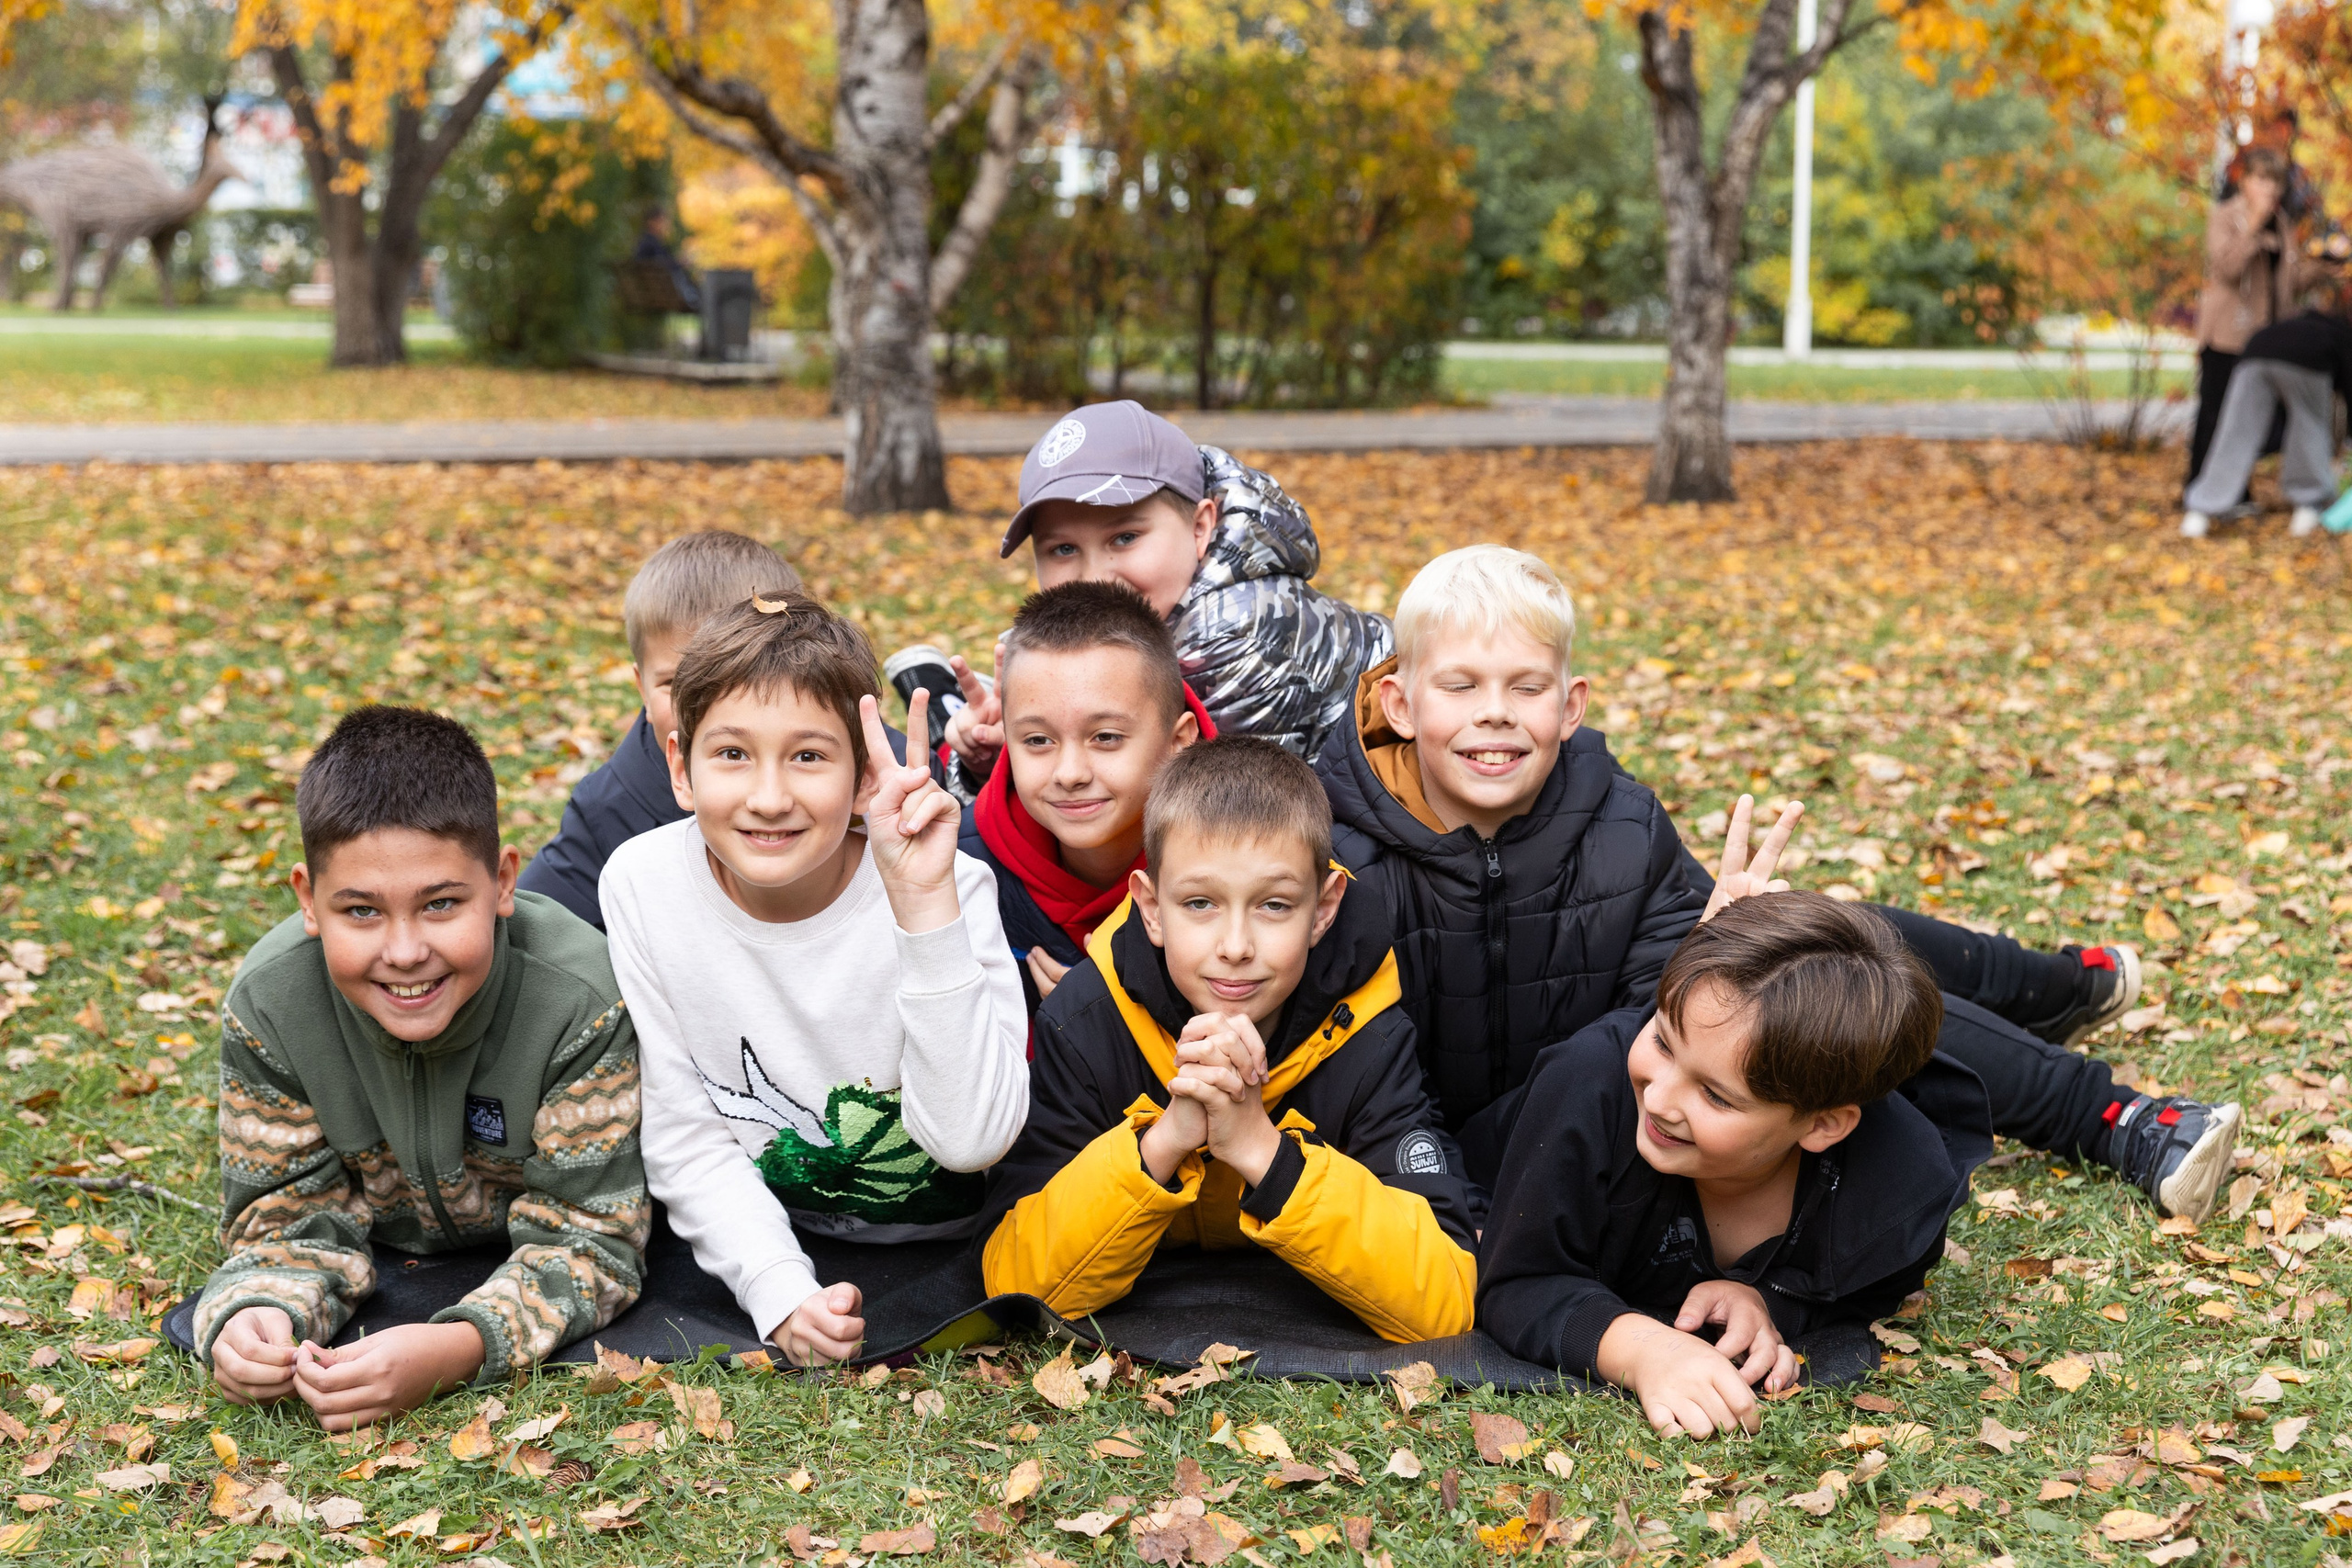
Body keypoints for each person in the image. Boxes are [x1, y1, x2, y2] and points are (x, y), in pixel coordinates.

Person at [1317, 545, 2241, 1221]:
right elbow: (1367, 1077)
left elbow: (1670, 1020)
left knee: (1819, 959)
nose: (1493, 715)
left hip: (1643, 1078)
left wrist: (1708, 951)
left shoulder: (1617, 821)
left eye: (1524, 688)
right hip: (1537, 1135)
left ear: (1570, 706)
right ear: (1398, 703)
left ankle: (2101, 1099)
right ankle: (2054, 987)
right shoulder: (1336, 858)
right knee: (1822, 970)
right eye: (1461, 686)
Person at [601, 592, 1027, 1366]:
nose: (770, 797)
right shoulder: (641, 884)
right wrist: (779, 1288)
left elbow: (975, 1141)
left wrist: (921, 904)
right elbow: (685, 1130)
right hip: (780, 1229)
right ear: (680, 767)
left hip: (956, 1243)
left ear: (865, 773)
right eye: (732, 754)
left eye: (808, 756)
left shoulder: (950, 886)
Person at [194, 706, 648, 1430]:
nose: (404, 951)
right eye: (362, 911)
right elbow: (282, 1218)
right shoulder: (271, 1004)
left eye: (440, 903)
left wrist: (458, 1347)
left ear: (502, 882)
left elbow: (592, 1239)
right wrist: (259, 1310)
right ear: (310, 901)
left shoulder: (579, 1001)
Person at [979, 738, 1477, 1343]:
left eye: (1273, 904)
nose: (1236, 945)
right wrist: (1165, 1139)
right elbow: (1013, 1282)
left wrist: (1263, 1149)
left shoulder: (1366, 1030)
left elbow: (1445, 1299)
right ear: (1151, 907)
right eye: (1199, 903)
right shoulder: (1085, 1023)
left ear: (1322, 909)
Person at [1476, 880, 1985, 1438]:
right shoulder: (1588, 1081)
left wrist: (1769, 1303)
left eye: (1716, 1097)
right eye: (1664, 1043)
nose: (1660, 1098)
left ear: (1822, 1125)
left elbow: (1871, 1290)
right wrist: (1645, 1350)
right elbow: (1516, 1280)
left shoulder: (1902, 1192)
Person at [894, 400, 1392, 783]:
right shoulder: (1159, 609)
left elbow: (1213, 823)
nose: (1095, 577)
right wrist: (993, 756)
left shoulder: (1234, 641)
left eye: (1125, 538)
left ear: (1201, 528)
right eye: (1063, 549)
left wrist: (1027, 749)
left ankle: (943, 719)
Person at [518, 530, 802, 931]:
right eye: (674, 684)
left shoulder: (866, 766)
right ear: (641, 686)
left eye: (737, 681)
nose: (704, 709)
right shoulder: (610, 808)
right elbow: (528, 934)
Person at [959, 581, 1214, 1013]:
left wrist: (1114, 1022)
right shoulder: (962, 871)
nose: (1070, 773)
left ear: (1180, 742)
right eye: (1038, 740)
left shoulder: (1247, 857)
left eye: (1106, 737)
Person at [2182, 276, 2351, 539]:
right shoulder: (2343, 335)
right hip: (2308, 361)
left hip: (2254, 352)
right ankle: (2308, 506)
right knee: (2310, 427)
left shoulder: (2302, 322)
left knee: (2236, 431)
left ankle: (2200, 511)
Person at [2188, 146, 2301, 509]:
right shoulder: (2225, 216)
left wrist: (2330, 266)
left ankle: (2234, 491)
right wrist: (2252, 227)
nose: (2271, 190)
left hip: (2264, 337)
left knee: (2250, 418)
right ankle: (2197, 491)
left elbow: (2290, 281)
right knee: (2214, 415)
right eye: (2263, 180)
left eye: (2276, 183)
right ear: (2245, 182)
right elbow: (2226, 268)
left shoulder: (2282, 226)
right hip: (2225, 334)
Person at [633, 209, 701, 312]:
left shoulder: (646, 242)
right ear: (651, 222)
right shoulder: (651, 244)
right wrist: (680, 263)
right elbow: (660, 266)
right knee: (707, 299)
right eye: (663, 221)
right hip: (666, 293)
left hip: (655, 292)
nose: (666, 225)